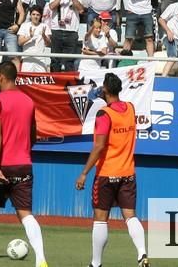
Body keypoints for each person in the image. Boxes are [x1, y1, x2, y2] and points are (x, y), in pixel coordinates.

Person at [0, 62, 48, 267]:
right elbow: (33, 134)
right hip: (23, 164)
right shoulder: (28, 101)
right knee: (25, 214)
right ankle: (41, 259)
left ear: (1, 77)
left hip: (0, 165)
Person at [75, 73, 149, 267]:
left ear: (106, 89)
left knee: (100, 219)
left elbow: (99, 146)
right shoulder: (131, 109)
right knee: (130, 216)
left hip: (107, 174)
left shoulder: (104, 114)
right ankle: (142, 254)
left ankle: (96, 263)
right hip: (127, 173)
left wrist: (84, 173)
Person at [47, 0, 84, 72]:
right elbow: (51, 7)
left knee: (69, 61)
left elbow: (81, 10)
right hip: (56, 30)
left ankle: (69, 84)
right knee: (55, 60)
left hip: (72, 31)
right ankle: (55, 84)